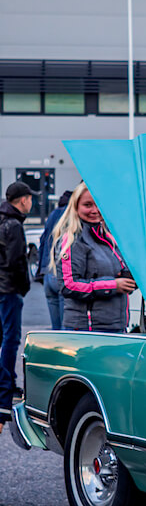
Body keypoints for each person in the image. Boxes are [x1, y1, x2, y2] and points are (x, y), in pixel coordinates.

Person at [51, 182, 135, 332]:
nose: (94, 210)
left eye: (98, 204)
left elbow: (120, 274)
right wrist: (113, 285)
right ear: (75, 207)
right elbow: (68, 285)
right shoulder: (73, 240)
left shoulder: (109, 237)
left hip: (115, 326)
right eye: (88, 205)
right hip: (87, 330)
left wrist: (132, 280)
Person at [0, 181, 34, 433]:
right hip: (9, 289)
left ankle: (6, 381)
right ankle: (6, 386)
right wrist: (23, 287)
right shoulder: (13, 225)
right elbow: (16, 261)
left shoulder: (3, 220)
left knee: (4, 337)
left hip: (2, 287)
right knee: (11, 339)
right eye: (30, 199)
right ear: (23, 200)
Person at [39, 189, 70, 329]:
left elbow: (42, 240)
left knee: (55, 331)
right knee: (65, 331)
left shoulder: (53, 214)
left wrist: (41, 271)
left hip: (48, 273)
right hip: (60, 273)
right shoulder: (69, 215)